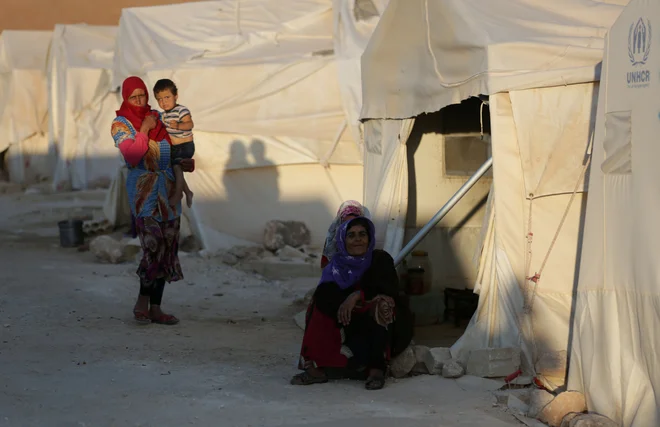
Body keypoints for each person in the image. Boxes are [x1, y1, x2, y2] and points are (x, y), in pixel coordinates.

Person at [291, 217, 414, 390]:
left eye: (362, 234)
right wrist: (343, 305)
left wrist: (358, 295)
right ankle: (316, 368)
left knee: (382, 304)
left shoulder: (380, 259)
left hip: (375, 325)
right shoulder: (336, 266)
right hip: (348, 324)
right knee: (316, 303)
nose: (357, 239)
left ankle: (376, 369)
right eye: (351, 235)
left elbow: (389, 287)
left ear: (369, 238)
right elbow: (325, 293)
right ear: (343, 240)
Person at [111, 76, 184, 326]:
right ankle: (142, 300)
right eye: (134, 96)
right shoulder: (120, 125)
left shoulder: (160, 117)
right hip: (144, 193)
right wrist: (143, 129)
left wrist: (182, 185)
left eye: (142, 94)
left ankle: (156, 308)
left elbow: (175, 153)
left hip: (169, 190)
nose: (139, 99)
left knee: (168, 248)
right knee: (152, 246)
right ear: (126, 98)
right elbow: (132, 155)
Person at [153, 78, 195, 209]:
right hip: (174, 147)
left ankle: (178, 194)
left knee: (177, 167)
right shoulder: (164, 115)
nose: (163, 102)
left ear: (175, 96)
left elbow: (190, 124)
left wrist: (178, 125)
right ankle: (187, 191)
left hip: (184, 146)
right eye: (159, 99)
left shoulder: (181, 110)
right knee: (172, 168)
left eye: (167, 97)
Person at [320, 200, 371, 268]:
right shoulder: (331, 245)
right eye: (345, 224)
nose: (350, 228)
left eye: (354, 223)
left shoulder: (365, 245)